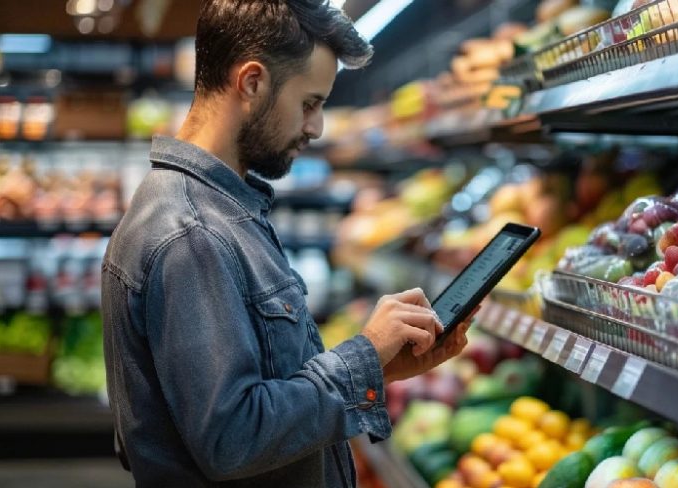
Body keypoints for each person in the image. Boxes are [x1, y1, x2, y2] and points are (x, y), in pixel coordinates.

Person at [101, 1, 475, 486]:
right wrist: (362, 352)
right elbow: (233, 438)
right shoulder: (193, 234)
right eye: (309, 104)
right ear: (252, 83)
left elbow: (262, 391)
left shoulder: (217, 211)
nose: (316, 127)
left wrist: (376, 371)